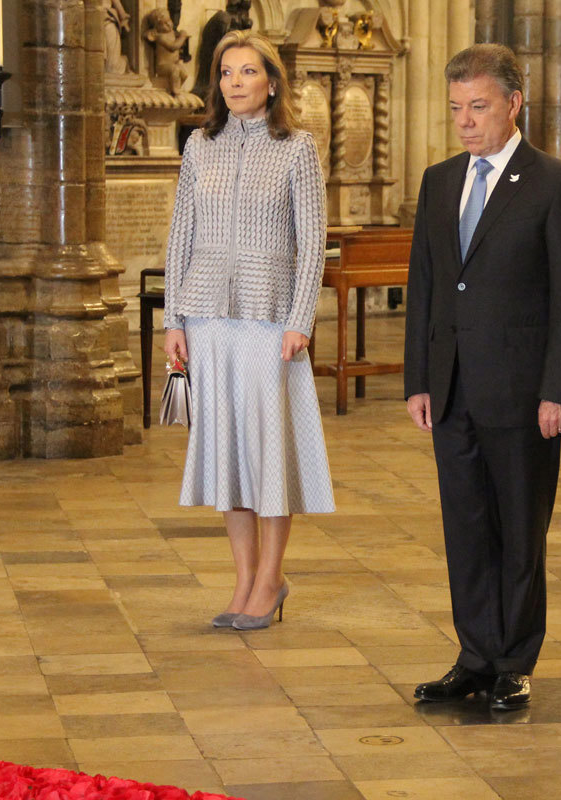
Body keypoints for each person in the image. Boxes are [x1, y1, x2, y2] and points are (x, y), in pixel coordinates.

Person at [403, 43, 561, 711]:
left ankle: (514, 660)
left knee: (519, 528)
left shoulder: (554, 184)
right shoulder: (438, 181)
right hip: (452, 387)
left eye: (478, 107)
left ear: (514, 104)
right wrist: (419, 380)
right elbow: (426, 286)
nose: (464, 121)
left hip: (522, 393)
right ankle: (474, 654)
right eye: (456, 108)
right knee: (466, 526)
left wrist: (559, 389)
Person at [163, 29, 334, 631]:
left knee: (266, 456)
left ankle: (271, 579)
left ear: (272, 81)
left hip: (269, 323)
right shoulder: (199, 147)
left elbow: (313, 241)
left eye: (247, 72)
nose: (235, 83)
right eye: (227, 73)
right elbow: (180, 233)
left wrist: (300, 321)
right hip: (207, 319)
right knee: (228, 456)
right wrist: (173, 319)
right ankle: (241, 580)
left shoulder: (296, 148)